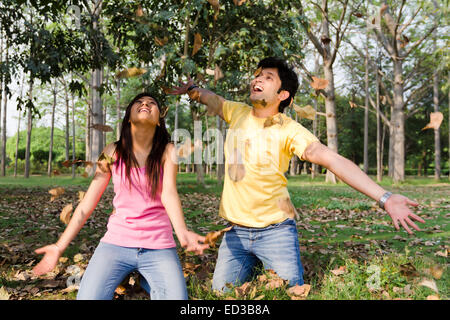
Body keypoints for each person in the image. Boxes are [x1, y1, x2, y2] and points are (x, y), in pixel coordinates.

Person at [169, 57, 425, 292]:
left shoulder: (290, 130)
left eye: (268, 77)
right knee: (220, 295)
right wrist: (192, 90)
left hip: (276, 232)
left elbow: (332, 159)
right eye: (257, 75)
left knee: (291, 294)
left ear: (283, 94)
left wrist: (385, 197)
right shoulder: (236, 112)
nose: (257, 79)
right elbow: (209, 97)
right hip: (235, 233)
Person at [32, 92, 209, 300]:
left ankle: (145, 277)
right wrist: (59, 246)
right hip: (116, 243)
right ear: (128, 117)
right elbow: (88, 202)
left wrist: (182, 232)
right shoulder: (111, 151)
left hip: (159, 245)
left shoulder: (168, 151)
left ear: (159, 122)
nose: (145, 104)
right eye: (139, 102)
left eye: (152, 103)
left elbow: (169, 193)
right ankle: (138, 276)